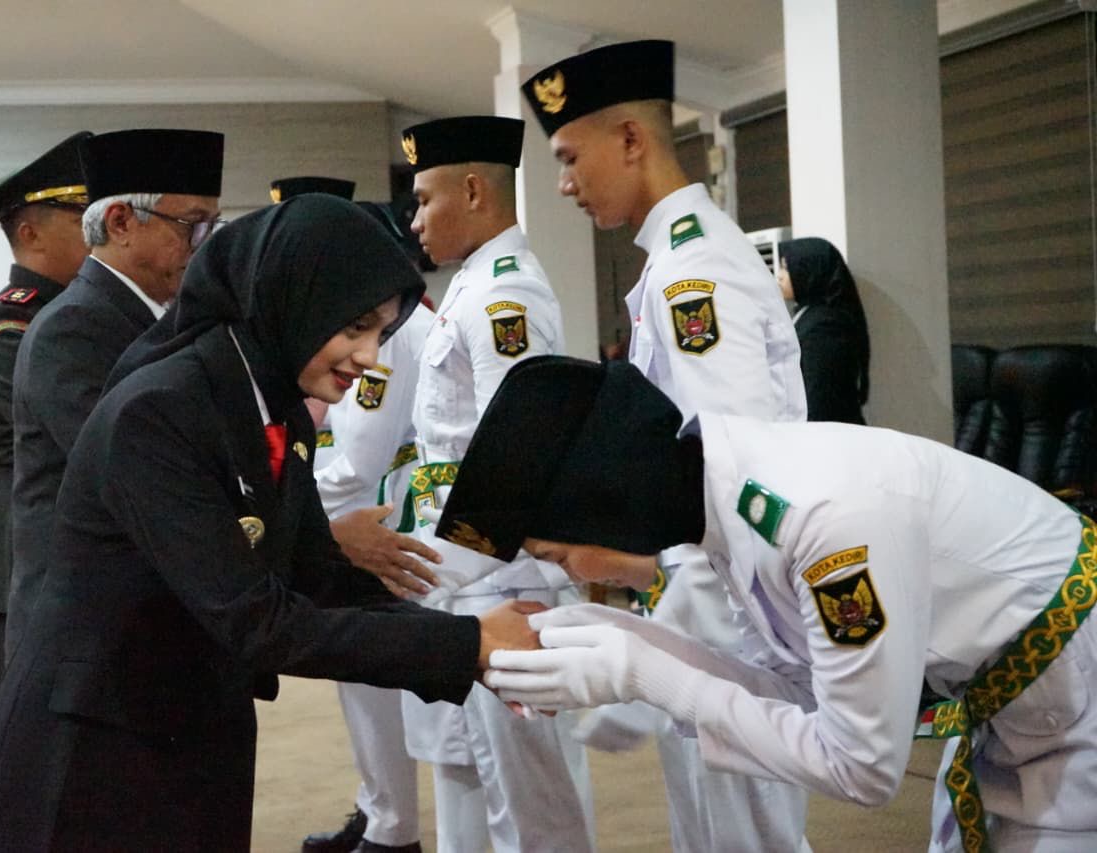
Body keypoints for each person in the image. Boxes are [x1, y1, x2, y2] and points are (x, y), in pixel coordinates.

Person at [0, 195, 541, 852]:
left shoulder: (274, 403)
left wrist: (472, 644)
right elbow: (257, 619)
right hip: (94, 749)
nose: (370, 357)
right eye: (354, 328)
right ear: (291, 298)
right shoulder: (159, 411)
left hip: (192, 723)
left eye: (380, 332)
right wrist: (469, 646)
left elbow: (317, 576)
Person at [440, 354, 1097, 853]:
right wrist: (624, 637)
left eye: (557, 555)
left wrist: (644, 673)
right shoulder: (737, 497)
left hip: (1072, 703)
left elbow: (862, 766)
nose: (573, 575)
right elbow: (798, 687)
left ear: (609, 512)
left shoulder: (824, 527)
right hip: (1018, 700)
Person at [522, 39, 809, 850]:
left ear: (632, 140)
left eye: (571, 155)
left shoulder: (696, 278)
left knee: (746, 838)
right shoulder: (674, 266)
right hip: (714, 608)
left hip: (739, 621)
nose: (564, 181)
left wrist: (633, 680)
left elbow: (737, 480)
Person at [399, 115, 594, 853]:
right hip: (463, 571)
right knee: (469, 770)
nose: (414, 219)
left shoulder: (504, 295)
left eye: (424, 198)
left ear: (474, 189)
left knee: (532, 798)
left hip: (496, 574)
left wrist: (445, 569)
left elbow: (517, 457)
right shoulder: (472, 285)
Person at [4, 128, 224, 661]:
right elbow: (142, 471)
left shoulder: (169, 318)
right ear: (122, 223)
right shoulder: (74, 328)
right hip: (87, 631)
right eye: (192, 226)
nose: (203, 247)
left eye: (211, 227)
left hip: (151, 610)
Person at [300, 192, 437, 853]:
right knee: (360, 677)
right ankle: (378, 809)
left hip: (384, 518)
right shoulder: (370, 325)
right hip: (365, 511)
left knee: (372, 674)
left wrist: (308, 533)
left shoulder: (396, 333)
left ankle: (391, 829)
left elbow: (358, 457)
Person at [0, 131, 92, 697]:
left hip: (71, 551)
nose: (94, 228)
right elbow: (83, 432)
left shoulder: (83, 317)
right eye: (77, 216)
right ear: (30, 233)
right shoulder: (7, 329)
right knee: (30, 755)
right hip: (19, 559)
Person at [777, 237, 871, 424]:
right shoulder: (810, 313)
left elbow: (820, 395)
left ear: (810, 270)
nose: (779, 275)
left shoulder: (825, 326)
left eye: (786, 268)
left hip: (826, 438)